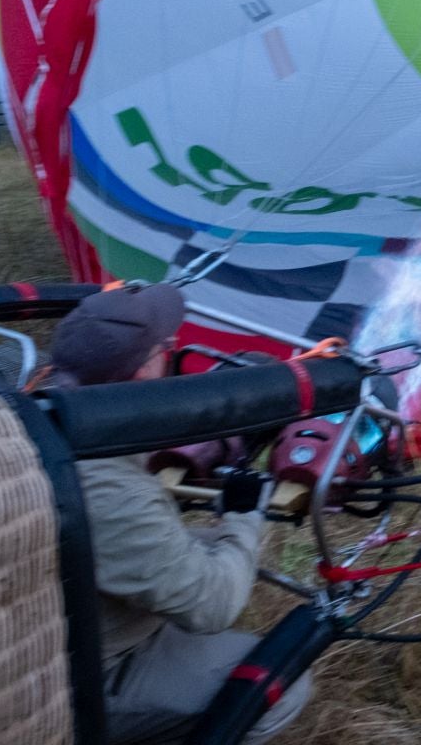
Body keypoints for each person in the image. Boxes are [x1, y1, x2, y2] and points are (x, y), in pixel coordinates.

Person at [44, 284, 311, 744]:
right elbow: (213, 606)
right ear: (145, 369)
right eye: (166, 349)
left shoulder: (39, 411)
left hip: (52, 621)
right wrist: (245, 516)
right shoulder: (109, 491)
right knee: (284, 685)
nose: (172, 356)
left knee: (201, 546)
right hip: (73, 683)